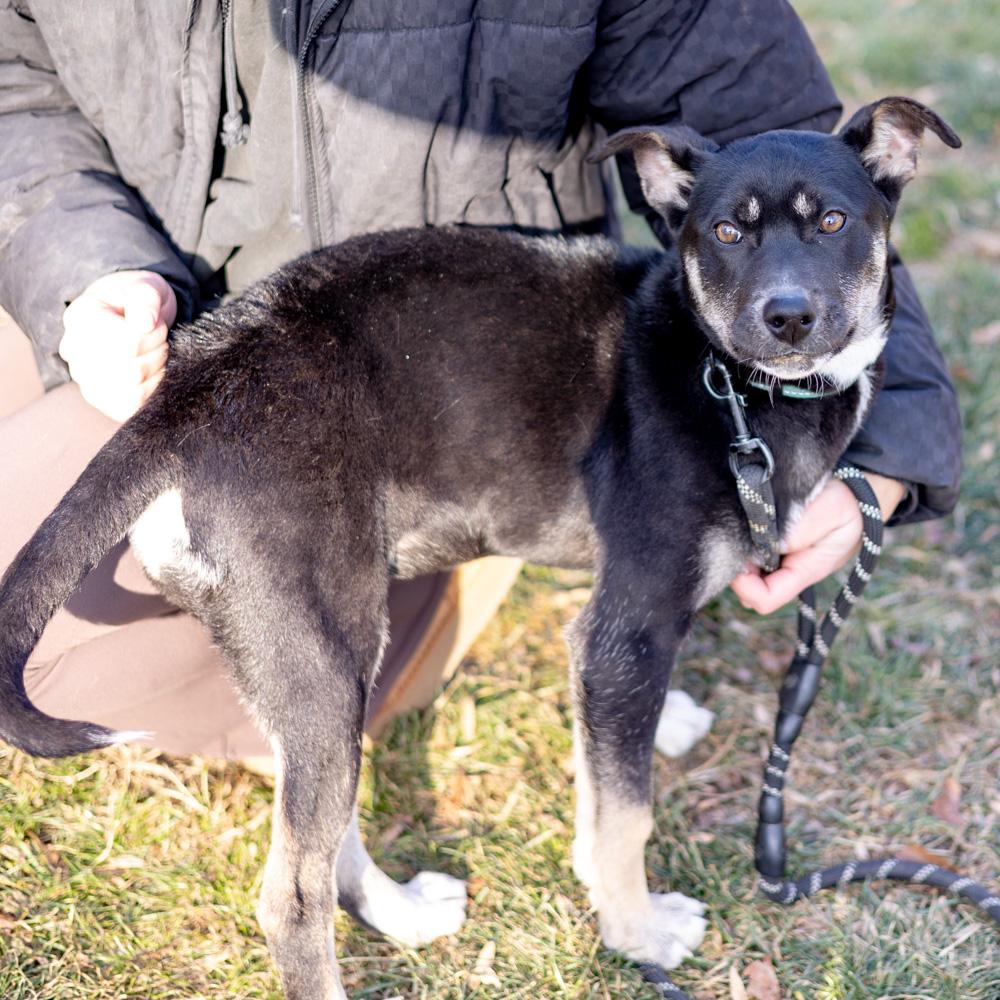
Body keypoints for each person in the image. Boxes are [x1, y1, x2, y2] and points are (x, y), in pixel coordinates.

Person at [0, 0, 960, 759]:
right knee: (34, 594)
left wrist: (878, 450)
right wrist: (86, 271)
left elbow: (786, 152)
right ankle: (316, 661)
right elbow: (16, 77)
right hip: (174, 335)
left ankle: (437, 592)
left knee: (63, 649)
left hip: (446, 409)